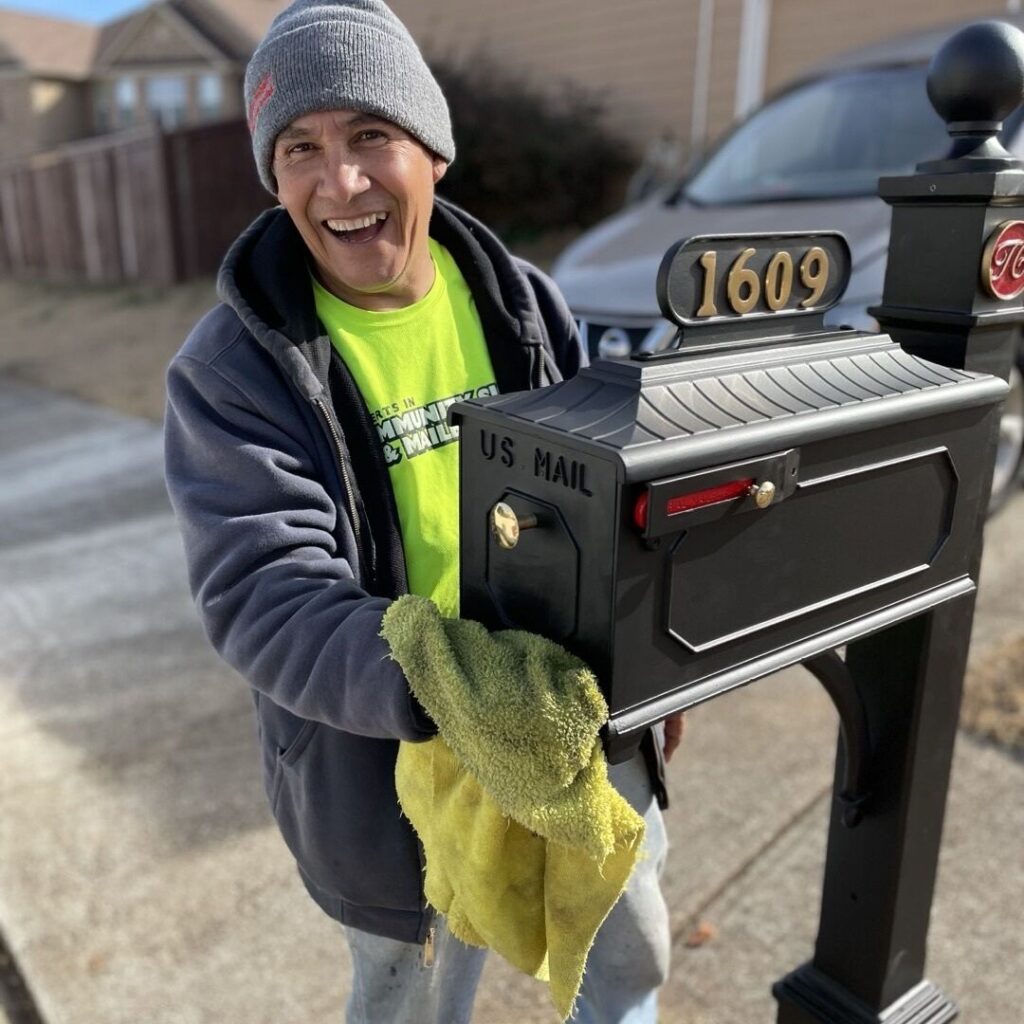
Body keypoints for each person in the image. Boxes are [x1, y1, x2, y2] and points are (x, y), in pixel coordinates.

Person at [164, 1, 683, 1020]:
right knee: (414, 1000)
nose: (342, 182)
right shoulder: (233, 371)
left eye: (371, 136)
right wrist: (448, 679)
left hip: (573, 722)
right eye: (301, 147)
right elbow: (263, 595)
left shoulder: (522, 300)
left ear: (432, 153)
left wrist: (655, 675)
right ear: (273, 176)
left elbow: (614, 490)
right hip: (388, 775)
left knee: (627, 964)